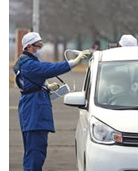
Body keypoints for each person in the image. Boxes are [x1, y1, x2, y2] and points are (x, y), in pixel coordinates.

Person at [12, 32, 91, 171]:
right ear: (29, 47)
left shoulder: (28, 62)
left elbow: (31, 83)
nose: (41, 48)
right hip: (34, 114)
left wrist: (46, 87)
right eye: (39, 46)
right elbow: (49, 69)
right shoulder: (28, 64)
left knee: (35, 152)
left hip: (33, 112)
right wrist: (74, 62)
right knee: (35, 154)